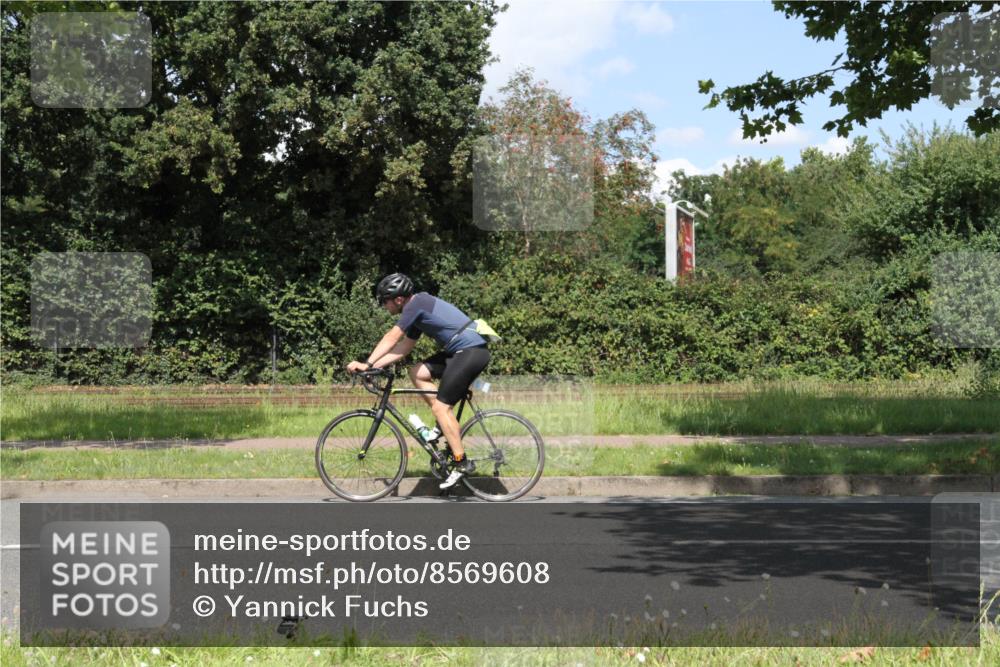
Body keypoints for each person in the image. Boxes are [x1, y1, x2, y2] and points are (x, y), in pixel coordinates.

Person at [346, 273, 490, 489]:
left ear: (398, 299)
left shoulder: (417, 303)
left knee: (442, 408)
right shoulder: (416, 310)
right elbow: (403, 348)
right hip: (460, 352)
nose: (384, 306)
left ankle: (461, 463)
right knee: (417, 372)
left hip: (470, 352)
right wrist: (374, 367)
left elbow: (392, 338)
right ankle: (443, 426)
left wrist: (367, 363)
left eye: (384, 301)